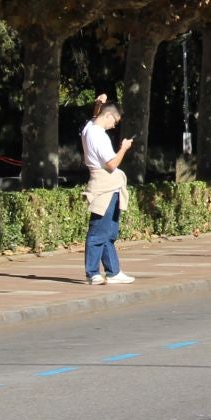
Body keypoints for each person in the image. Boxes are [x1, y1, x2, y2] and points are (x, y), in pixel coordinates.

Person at [82, 95, 135, 286]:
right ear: (108, 116)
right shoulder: (99, 136)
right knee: (98, 231)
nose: (114, 126)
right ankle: (92, 272)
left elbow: (95, 117)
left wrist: (98, 104)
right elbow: (112, 164)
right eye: (115, 121)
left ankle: (113, 271)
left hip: (110, 186)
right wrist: (124, 148)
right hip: (104, 185)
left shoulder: (89, 129)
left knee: (109, 232)